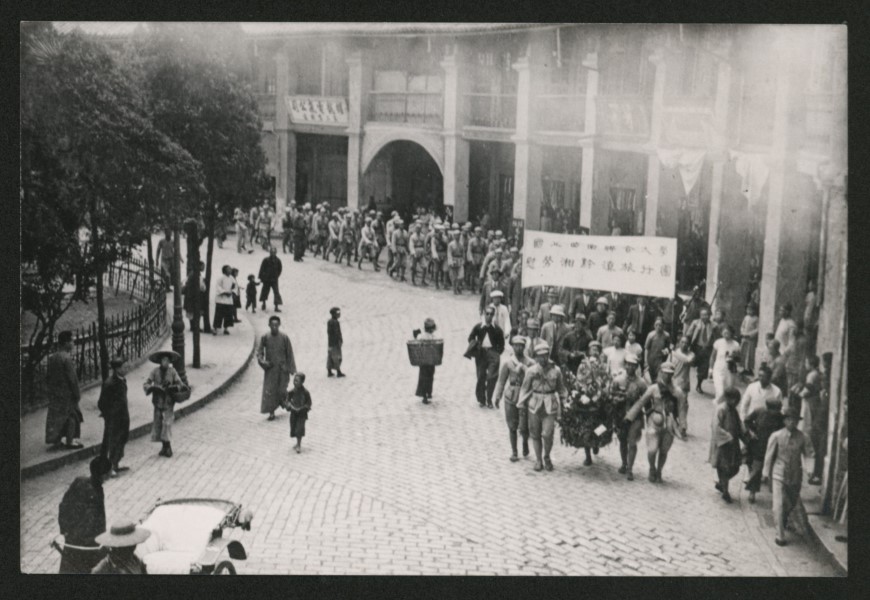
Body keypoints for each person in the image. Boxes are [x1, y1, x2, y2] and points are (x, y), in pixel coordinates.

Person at [763, 407, 815, 546]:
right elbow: (769, 455)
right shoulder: (776, 436)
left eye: (795, 420)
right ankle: (780, 535)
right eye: (789, 420)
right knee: (777, 506)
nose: (792, 422)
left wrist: (809, 469)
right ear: (785, 421)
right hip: (778, 473)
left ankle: (784, 520)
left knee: (790, 503)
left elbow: (809, 454)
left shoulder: (803, 437)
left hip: (795, 476)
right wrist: (765, 472)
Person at [625, 363, 685, 483]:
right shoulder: (654, 388)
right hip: (655, 420)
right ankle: (652, 468)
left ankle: (659, 471)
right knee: (652, 449)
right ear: (660, 372)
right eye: (665, 373)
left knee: (664, 450)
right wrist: (630, 416)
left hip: (669, 422)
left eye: (670, 374)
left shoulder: (677, 391)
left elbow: (682, 409)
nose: (667, 376)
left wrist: (682, 425)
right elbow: (641, 402)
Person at [517, 342, 567, 472]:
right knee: (535, 433)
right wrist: (521, 405)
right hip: (534, 404)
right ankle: (538, 460)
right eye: (539, 356)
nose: (542, 359)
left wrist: (565, 403)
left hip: (550, 405)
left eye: (545, 356)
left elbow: (561, 389)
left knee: (547, 434)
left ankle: (547, 456)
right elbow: (524, 389)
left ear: (548, 355)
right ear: (536, 357)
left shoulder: (556, 370)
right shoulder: (531, 371)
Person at [57, 456, 111, 573]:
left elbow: (63, 506)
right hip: (87, 547)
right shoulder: (96, 493)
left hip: (72, 541)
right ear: (103, 476)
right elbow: (95, 523)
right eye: (108, 473)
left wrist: (65, 530)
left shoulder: (79, 481)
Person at [494, 337, 534, 461]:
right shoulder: (508, 363)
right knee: (512, 425)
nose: (519, 348)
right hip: (511, 396)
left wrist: (524, 369)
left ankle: (525, 443)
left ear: (524, 347)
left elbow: (535, 379)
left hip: (525, 396)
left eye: (521, 345)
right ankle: (514, 451)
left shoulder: (530, 363)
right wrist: (497, 396)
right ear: (512, 346)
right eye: (516, 345)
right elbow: (501, 381)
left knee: (524, 425)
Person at [610, 353, 648, 480]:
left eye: (633, 365)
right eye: (628, 365)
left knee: (632, 442)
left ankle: (630, 468)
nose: (630, 368)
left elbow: (646, 400)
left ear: (637, 367)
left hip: (635, 417)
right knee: (622, 441)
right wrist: (617, 400)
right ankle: (624, 463)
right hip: (621, 415)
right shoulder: (618, 380)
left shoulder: (641, 383)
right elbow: (611, 396)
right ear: (625, 365)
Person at [45, 330, 83, 450]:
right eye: (72, 341)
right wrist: (77, 394)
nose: (73, 343)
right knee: (72, 416)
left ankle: (56, 441)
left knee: (56, 417)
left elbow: (48, 377)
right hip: (67, 394)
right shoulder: (66, 358)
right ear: (66, 342)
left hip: (55, 394)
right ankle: (70, 441)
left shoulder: (52, 358)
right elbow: (73, 379)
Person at [144, 350, 187, 458]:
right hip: (157, 402)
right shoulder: (154, 372)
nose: (165, 362)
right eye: (163, 360)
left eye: (167, 360)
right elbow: (146, 383)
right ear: (160, 361)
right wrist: (152, 388)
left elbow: (180, 384)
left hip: (168, 402)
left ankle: (168, 448)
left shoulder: (172, 372)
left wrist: (173, 387)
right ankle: (164, 447)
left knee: (167, 423)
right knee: (158, 424)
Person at [744, 395, 785, 503]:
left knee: (774, 470)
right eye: (776, 410)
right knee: (756, 469)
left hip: (773, 447)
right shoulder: (759, 412)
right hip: (759, 445)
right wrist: (751, 432)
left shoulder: (780, 417)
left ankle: (776, 495)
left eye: (779, 409)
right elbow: (747, 421)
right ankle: (752, 492)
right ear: (768, 408)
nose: (778, 412)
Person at [710, 387, 746, 503]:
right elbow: (716, 426)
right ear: (728, 399)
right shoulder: (721, 409)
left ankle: (722, 484)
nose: (735, 403)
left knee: (734, 467)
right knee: (724, 467)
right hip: (723, 445)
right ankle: (725, 491)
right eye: (734, 400)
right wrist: (727, 437)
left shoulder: (734, 411)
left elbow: (739, 424)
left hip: (733, 445)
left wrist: (746, 433)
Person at [258, 316, 297, 421]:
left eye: (276, 325)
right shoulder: (265, 337)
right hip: (271, 369)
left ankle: (285, 402)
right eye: (272, 325)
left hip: (282, 369)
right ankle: (271, 412)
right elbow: (260, 353)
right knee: (270, 391)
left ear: (279, 325)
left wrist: (292, 368)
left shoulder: (284, 338)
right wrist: (264, 363)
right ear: (269, 325)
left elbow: (289, 353)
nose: (274, 327)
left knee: (281, 389)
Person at [468, 305, 505, 409]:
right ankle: (481, 399)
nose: (489, 316)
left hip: (493, 353)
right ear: (484, 315)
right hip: (481, 354)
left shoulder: (497, 329)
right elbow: (470, 337)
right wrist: (475, 346)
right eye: (487, 314)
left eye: (491, 314)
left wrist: (497, 353)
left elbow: (502, 344)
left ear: (493, 316)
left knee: (492, 377)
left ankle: (489, 399)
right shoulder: (478, 327)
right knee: (481, 376)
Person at [98, 357, 130, 477]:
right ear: (117, 369)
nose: (126, 368)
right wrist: (109, 414)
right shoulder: (109, 383)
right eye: (124, 367)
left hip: (123, 416)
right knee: (111, 441)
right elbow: (101, 402)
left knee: (122, 439)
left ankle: (115, 464)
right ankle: (109, 467)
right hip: (113, 418)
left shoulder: (122, 380)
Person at [796, 355, 825, 485]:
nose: (805, 364)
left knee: (806, 424)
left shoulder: (811, 375)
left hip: (809, 402)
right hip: (815, 401)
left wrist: (798, 393)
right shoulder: (818, 373)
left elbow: (806, 392)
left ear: (811, 363)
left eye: (807, 362)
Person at [670, 335, 695, 437]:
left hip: (684, 383)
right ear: (679, 343)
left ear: (689, 345)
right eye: (682, 342)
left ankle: (683, 426)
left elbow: (687, 360)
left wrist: (673, 352)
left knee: (683, 405)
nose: (684, 344)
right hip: (673, 382)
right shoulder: (674, 353)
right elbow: (668, 365)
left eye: (686, 343)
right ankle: (673, 423)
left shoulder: (691, 354)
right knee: (671, 404)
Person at [686, 307, 715, 394]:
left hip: (707, 348)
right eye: (702, 315)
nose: (704, 317)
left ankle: (699, 384)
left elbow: (717, 336)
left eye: (706, 315)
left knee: (704, 368)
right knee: (692, 364)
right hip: (697, 347)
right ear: (700, 315)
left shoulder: (713, 325)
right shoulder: (695, 323)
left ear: (709, 315)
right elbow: (689, 334)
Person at [282, 373, 312, 453]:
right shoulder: (291, 392)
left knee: (300, 429)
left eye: (297, 381)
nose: (295, 382)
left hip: (302, 414)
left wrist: (303, 408)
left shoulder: (306, 392)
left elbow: (309, 403)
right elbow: (287, 401)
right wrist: (290, 406)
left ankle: (299, 444)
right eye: (294, 380)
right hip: (294, 413)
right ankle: (297, 442)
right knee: (294, 428)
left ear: (302, 382)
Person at [710, 324, 740, 400]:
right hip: (718, 369)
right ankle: (719, 408)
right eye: (724, 333)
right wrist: (710, 369)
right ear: (721, 333)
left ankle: (726, 408)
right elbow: (712, 357)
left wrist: (733, 358)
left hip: (730, 370)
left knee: (728, 391)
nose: (726, 335)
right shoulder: (718, 342)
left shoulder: (736, 344)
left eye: (728, 333)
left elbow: (739, 359)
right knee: (720, 390)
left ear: (731, 333)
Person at [413, 318, 439, 404]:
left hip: (423, 361)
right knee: (430, 377)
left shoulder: (422, 336)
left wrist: (416, 333)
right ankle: (429, 393)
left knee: (423, 378)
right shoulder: (434, 337)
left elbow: (417, 338)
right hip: (431, 361)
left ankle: (424, 395)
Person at [643, 317, 671, 383]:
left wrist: (666, 351)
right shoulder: (650, 335)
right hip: (651, 358)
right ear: (654, 325)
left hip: (660, 359)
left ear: (663, 326)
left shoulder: (666, 335)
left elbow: (668, 347)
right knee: (650, 377)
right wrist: (645, 361)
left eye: (660, 325)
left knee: (659, 377)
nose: (658, 327)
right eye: (656, 325)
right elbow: (646, 349)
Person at [258, 247, 283, 313]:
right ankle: (263, 303)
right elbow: (262, 269)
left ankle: (276, 306)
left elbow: (280, 269)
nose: (273, 254)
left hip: (274, 279)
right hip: (267, 279)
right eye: (272, 252)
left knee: (276, 292)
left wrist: (276, 276)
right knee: (265, 291)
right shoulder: (266, 260)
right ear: (270, 253)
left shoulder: (278, 261)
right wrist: (261, 277)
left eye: (274, 252)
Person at [212, 265, 235, 335]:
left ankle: (226, 328)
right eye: (228, 269)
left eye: (230, 269)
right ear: (224, 270)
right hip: (221, 300)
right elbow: (218, 287)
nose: (230, 270)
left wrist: (232, 292)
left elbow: (235, 286)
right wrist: (224, 292)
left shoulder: (232, 278)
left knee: (228, 315)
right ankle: (215, 328)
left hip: (229, 300)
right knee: (219, 315)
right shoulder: (221, 278)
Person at [740, 303, 759, 375]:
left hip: (750, 339)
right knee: (744, 352)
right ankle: (744, 367)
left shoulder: (756, 319)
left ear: (754, 310)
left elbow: (757, 329)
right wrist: (742, 332)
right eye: (748, 309)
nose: (749, 311)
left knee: (749, 353)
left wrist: (750, 334)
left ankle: (749, 368)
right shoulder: (746, 317)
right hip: (744, 337)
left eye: (751, 310)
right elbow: (742, 326)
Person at [327, 307, 345, 378]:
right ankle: (338, 371)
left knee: (330, 357)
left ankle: (329, 371)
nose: (339, 314)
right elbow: (337, 333)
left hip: (330, 342)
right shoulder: (335, 322)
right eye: (337, 313)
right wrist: (339, 340)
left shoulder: (329, 321)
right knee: (337, 357)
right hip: (335, 343)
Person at [447, 230, 465, 294]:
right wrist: (450, 261)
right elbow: (449, 254)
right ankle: (454, 289)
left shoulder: (461, 244)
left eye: (458, 235)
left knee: (461, 276)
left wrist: (463, 260)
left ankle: (458, 286)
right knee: (454, 276)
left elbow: (463, 253)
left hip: (460, 260)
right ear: (454, 236)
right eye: (456, 235)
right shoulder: (451, 244)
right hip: (453, 260)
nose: (457, 237)